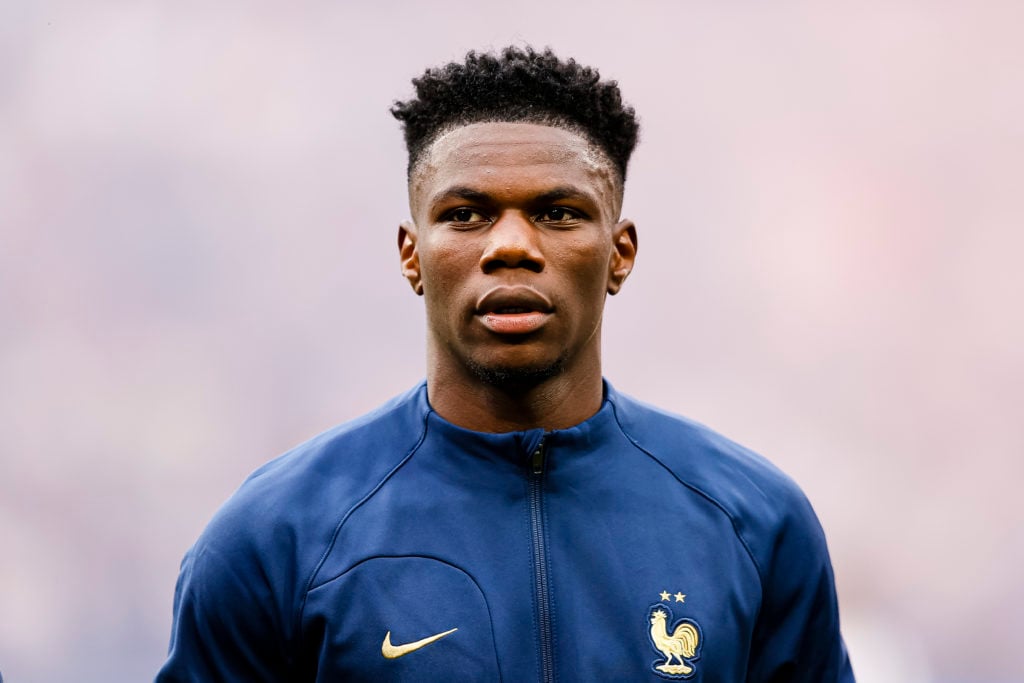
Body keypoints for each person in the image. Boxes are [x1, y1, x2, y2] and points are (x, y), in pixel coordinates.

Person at [157, 46, 854, 682]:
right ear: (412, 253)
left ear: (619, 253)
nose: (511, 246)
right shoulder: (271, 541)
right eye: (466, 214)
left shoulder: (757, 524)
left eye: (557, 212)